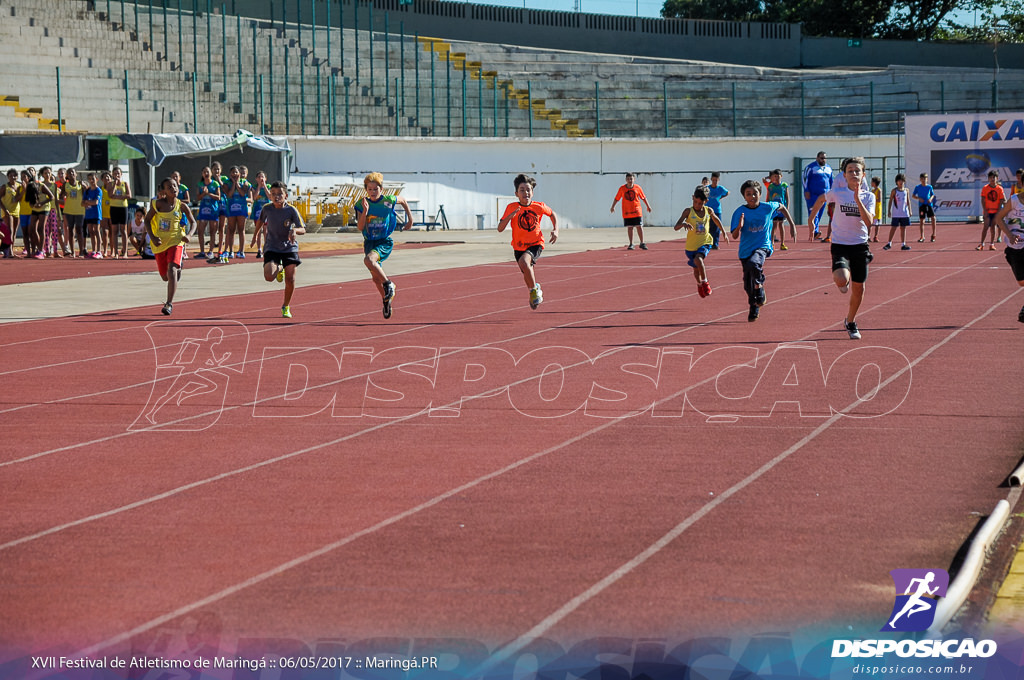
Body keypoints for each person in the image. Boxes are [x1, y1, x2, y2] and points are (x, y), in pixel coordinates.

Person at [807, 157, 875, 340]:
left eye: (857, 171)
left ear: (863, 175)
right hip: (840, 243)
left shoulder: (869, 196)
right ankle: (842, 282)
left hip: (860, 244)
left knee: (859, 289)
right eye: (850, 170)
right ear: (844, 175)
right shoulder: (837, 192)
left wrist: (857, 200)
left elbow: (869, 222)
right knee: (840, 278)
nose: (854, 173)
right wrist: (811, 219)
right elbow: (821, 198)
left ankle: (850, 321)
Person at [730, 180, 795, 322]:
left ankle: (759, 288)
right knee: (747, 285)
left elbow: (782, 206)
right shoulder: (740, 212)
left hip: (763, 246)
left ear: (760, 194)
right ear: (744, 196)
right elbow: (734, 236)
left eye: (755, 193)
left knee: (754, 264)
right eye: (749, 194)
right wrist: (739, 227)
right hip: (745, 251)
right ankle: (754, 305)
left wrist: (791, 224)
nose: (752, 196)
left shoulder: (767, 207)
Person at [354, 172, 414, 319]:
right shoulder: (361, 205)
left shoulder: (388, 200)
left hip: (384, 241)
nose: (373, 192)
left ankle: (388, 284)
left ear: (381, 189)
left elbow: (404, 201)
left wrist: (410, 220)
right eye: (370, 189)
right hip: (369, 242)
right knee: (375, 279)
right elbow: (360, 227)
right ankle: (386, 300)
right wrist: (365, 212)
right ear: (366, 190)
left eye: (376, 189)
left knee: (369, 260)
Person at [498, 173, 559, 310]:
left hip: (535, 244)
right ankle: (534, 288)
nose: (525, 192)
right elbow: (500, 229)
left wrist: (556, 230)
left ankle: (533, 292)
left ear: (532, 192)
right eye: (522, 190)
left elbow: (552, 214)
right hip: (518, 246)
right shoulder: (511, 207)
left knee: (524, 263)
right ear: (516, 193)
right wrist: (510, 217)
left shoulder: (539, 206)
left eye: (528, 190)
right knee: (526, 270)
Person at [251, 181, 306, 319]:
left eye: (279, 194)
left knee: (290, 279)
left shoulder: (291, 210)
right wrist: (255, 235)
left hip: (289, 247)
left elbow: (303, 229)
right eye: (273, 194)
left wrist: (294, 231)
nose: (276, 197)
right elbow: (260, 221)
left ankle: (286, 306)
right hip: (272, 246)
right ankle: (280, 268)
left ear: (285, 195)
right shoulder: (267, 209)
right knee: (269, 277)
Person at [145, 176, 196, 315]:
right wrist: (153, 237)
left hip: (176, 241)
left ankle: (169, 304)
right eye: (169, 187)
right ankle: (177, 269)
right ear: (164, 191)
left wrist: (189, 235)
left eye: (174, 186)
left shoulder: (182, 205)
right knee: (165, 276)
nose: (173, 188)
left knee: (172, 269)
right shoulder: (158, 204)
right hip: (160, 244)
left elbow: (194, 222)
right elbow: (147, 220)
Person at [674, 185, 725, 298]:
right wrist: (683, 224)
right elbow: (676, 227)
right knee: (696, 269)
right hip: (691, 247)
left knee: (699, 259)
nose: (697, 205)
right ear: (693, 198)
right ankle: (699, 284)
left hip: (705, 242)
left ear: (705, 201)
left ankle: (706, 282)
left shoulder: (708, 211)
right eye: (695, 202)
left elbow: (716, 220)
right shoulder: (688, 211)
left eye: (700, 203)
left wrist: (724, 232)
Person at [994, 186, 1024, 322]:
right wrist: (1010, 235)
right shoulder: (1014, 201)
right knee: (1021, 282)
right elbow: (999, 218)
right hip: (1014, 247)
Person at [610, 172, 652, 250]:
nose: (630, 180)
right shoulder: (622, 188)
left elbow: (643, 197)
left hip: (637, 211)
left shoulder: (637, 188)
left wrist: (648, 206)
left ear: (634, 179)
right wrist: (613, 207)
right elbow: (617, 198)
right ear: (626, 180)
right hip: (627, 212)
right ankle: (631, 244)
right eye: (628, 179)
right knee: (630, 228)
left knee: (639, 227)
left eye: (631, 179)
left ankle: (642, 243)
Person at [803, 151, 833, 240]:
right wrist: (806, 190)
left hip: (825, 195)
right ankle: (815, 232)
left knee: (819, 213)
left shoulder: (828, 168)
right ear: (817, 158)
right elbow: (805, 179)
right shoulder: (811, 167)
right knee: (813, 213)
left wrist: (832, 192)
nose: (823, 160)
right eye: (821, 158)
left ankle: (815, 231)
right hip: (813, 195)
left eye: (824, 158)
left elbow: (831, 181)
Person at [223, 166, 250, 259]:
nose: (234, 174)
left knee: (241, 229)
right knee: (231, 229)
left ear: (239, 173)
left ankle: (241, 251)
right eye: (233, 172)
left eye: (236, 172)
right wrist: (233, 184)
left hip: (241, 209)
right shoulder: (226, 183)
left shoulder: (245, 182)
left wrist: (237, 184)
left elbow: (243, 194)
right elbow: (229, 195)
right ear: (230, 174)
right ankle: (231, 251)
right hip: (231, 208)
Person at [762, 169, 792, 250]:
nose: (777, 178)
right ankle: (771, 243)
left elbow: (787, 197)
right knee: (774, 225)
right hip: (773, 208)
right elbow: (768, 197)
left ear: (781, 176)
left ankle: (782, 243)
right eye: (775, 176)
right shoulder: (771, 186)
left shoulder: (784, 185)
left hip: (782, 208)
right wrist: (766, 206)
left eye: (778, 176)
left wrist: (787, 207)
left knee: (781, 224)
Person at [194, 166, 220, 260]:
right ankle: (202, 251)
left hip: (213, 210)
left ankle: (211, 251)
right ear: (202, 174)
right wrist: (203, 194)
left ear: (211, 173)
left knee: (212, 231)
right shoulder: (200, 184)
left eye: (207, 171)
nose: (206, 173)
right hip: (203, 210)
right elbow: (198, 198)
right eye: (204, 172)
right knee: (200, 231)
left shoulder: (215, 184)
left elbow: (218, 197)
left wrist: (209, 194)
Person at [61, 168, 87, 258]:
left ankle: (81, 251)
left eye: (73, 172)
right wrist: (62, 197)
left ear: (76, 174)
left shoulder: (81, 184)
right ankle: (72, 252)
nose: (71, 174)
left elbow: (86, 195)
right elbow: (61, 196)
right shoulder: (65, 184)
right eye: (69, 173)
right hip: (69, 210)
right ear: (67, 175)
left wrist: (84, 187)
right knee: (70, 230)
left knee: (79, 229)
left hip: (80, 210)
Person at [882, 173, 912, 251]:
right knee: (893, 227)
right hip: (896, 213)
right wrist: (888, 211)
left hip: (904, 213)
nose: (900, 182)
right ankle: (889, 243)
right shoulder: (894, 191)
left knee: (903, 228)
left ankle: (903, 244)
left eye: (902, 180)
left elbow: (908, 200)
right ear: (896, 182)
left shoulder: (906, 190)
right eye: (899, 181)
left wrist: (910, 210)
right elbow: (890, 201)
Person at [978, 170, 1005, 251]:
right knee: (985, 227)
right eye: (990, 177)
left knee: (993, 227)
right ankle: (982, 244)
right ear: (988, 179)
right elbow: (983, 199)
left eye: (994, 177)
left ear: (997, 178)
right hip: (988, 211)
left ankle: (991, 244)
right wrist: (985, 210)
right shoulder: (985, 188)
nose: (992, 179)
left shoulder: (999, 189)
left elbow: (1001, 200)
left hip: (995, 212)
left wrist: (999, 210)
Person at [0, 168, 22, 258]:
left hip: (16, 211)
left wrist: (23, 190)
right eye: (10, 176)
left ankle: (10, 250)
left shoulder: (19, 186)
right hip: (7, 211)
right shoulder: (5, 186)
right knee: (10, 231)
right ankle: (9, 252)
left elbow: (19, 199)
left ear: (17, 176)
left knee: (14, 231)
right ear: (8, 177)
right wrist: (5, 210)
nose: (12, 177)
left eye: (14, 176)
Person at [250, 171, 271, 258]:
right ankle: (259, 249)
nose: (260, 178)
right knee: (258, 230)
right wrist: (259, 186)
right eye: (259, 177)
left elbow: (270, 196)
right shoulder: (253, 187)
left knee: (266, 230)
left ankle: (267, 248)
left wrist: (264, 185)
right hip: (257, 211)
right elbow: (254, 197)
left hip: (267, 211)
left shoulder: (269, 186)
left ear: (265, 178)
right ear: (256, 179)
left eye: (262, 177)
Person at [82, 173, 103, 258]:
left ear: (96, 179)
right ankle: (93, 251)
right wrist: (87, 202)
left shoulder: (98, 190)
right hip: (88, 214)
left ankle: (99, 251)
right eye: (89, 179)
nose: (91, 181)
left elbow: (96, 202)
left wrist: (88, 202)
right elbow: (82, 203)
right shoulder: (87, 191)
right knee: (91, 232)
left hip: (96, 213)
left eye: (93, 179)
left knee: (96, 231)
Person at [706, 171, 729, 249]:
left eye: (716, 180)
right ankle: (707, 243)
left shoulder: (720, 189)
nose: (715, 181)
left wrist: (720, 197)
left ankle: (715, 244)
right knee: (707, 227)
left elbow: (727, 192)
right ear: (711, 179)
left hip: (717, 210)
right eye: (713, 180)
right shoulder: (707, 188)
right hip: (708, 210)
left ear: (718, 180)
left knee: (716, 228)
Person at [913, 173, 937, 242]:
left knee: (933, 218)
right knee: (922, 220)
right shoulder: (917, 187)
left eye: (925, 179)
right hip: (922, 205)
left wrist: (930, 199)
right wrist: (919, 198)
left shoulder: (929, 187)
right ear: (920, 179)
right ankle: (922, 236)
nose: (923, 180)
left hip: (929, 205)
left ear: (927, 179)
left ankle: (933, 234)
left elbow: (932, 195)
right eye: (922, 179)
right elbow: (913, 195)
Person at [869, 176, 883, 242]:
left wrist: (873, 199)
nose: (871, 183)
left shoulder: (879, 190)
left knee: (877, 224)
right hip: (872, 209)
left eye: (872, 182)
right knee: (870, 223)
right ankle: (868, 236)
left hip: (877, 209)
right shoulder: (872, 191)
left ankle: (875, 236)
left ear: (875, 183)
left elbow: (879, 199)